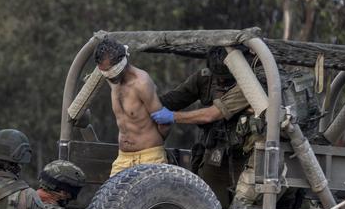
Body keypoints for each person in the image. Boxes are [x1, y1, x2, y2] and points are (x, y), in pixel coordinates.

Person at [151, 47, 251, 175]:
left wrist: (172, 116)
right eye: (218, 77)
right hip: (214, 147)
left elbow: (212, 114)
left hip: (242, 152)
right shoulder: (205, 78)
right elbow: (176, 98)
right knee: (210, 188)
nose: (221, 81)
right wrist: (150, 104)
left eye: (226, 78)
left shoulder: (247, 83)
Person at [94, 38, 169, 176]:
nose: (107, 76)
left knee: (149, 196)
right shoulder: (113, 80)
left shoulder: (142, 82)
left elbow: (164, 122)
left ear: (121, 63)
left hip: (149, 156)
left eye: (110, 71)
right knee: (112, 197)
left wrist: (152, 144)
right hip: (123, 158)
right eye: (104, 72)